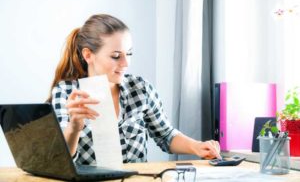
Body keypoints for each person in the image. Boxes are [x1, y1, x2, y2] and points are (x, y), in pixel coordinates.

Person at [47, 14, 221, 165]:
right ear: (88, 55)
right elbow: (60, 161)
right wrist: (74, 128)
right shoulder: (67, 93)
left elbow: (165, 135)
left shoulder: (140, 89)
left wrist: (196, 147)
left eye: (128, 53)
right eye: (116, 56)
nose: (126, 63)